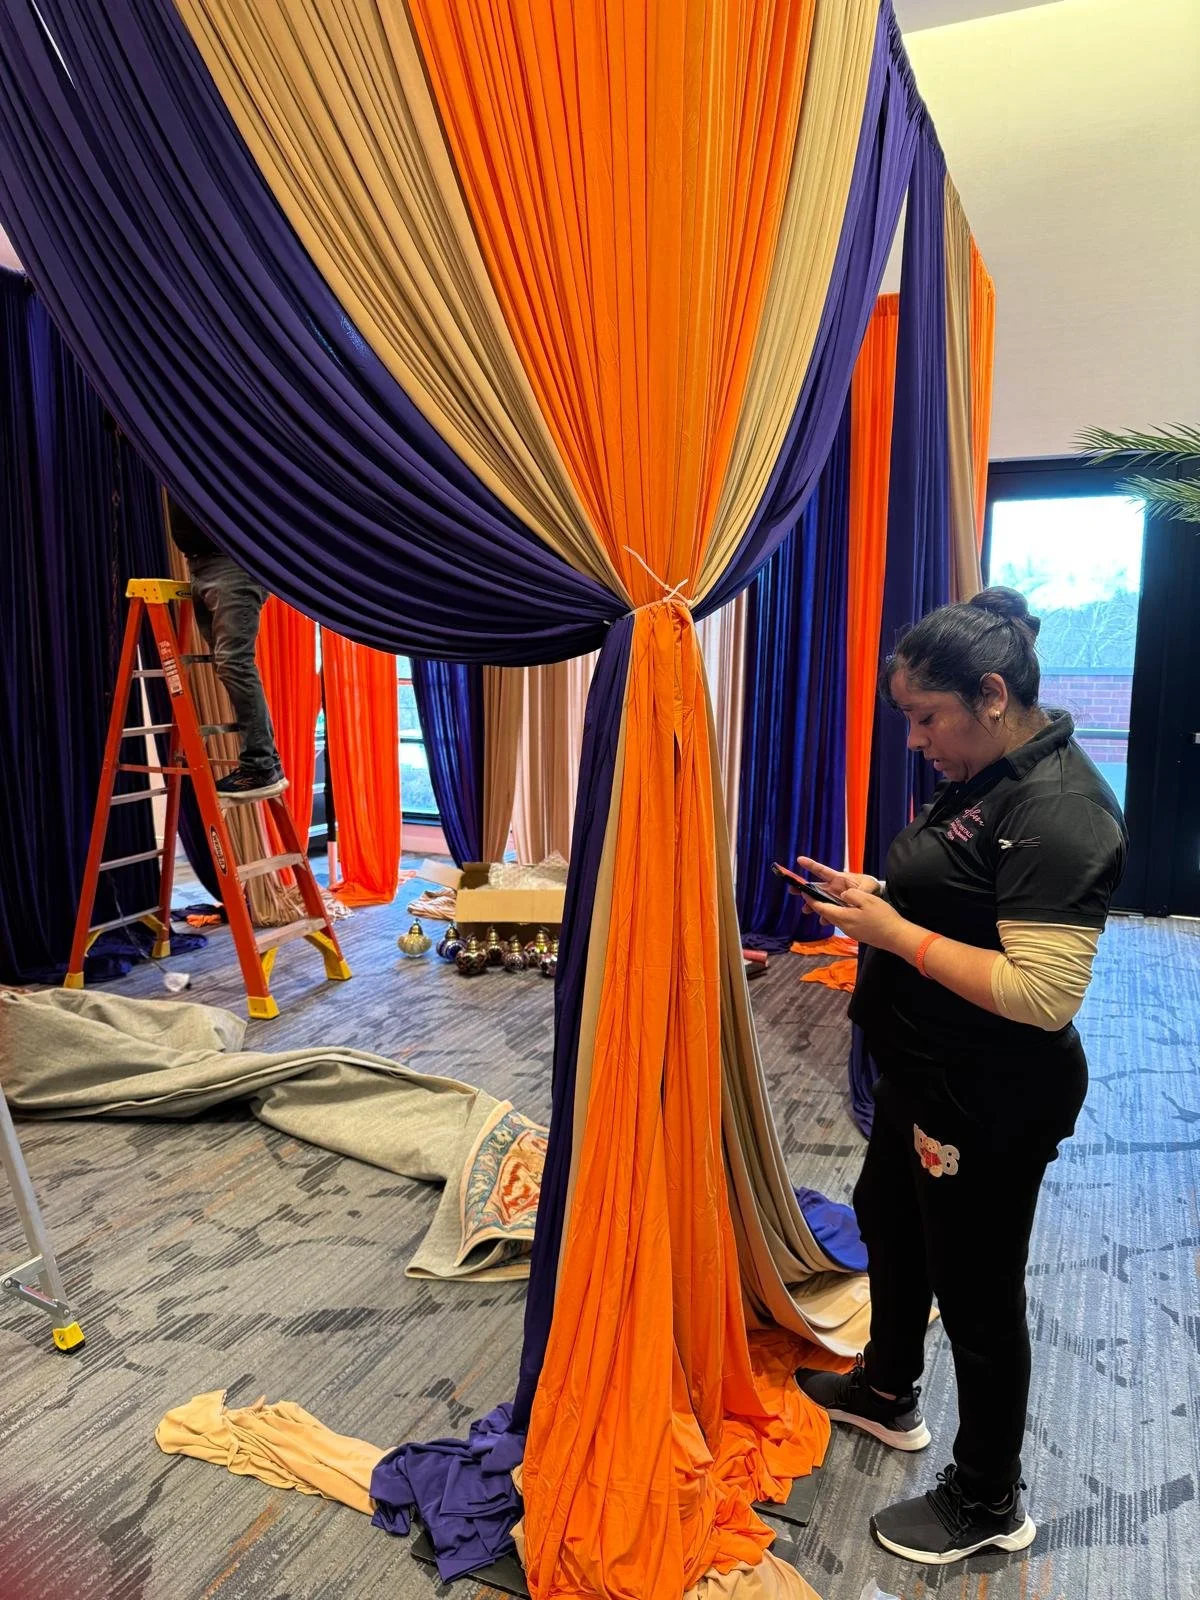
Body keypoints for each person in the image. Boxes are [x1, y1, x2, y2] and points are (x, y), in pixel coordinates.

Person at [795, 587, 1126, 1566]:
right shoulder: (989, 767)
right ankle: (887, 1390)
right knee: (889, 1221)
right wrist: (885, 894)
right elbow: (971, 895)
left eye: (923, 717)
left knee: (979, 1293)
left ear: (990, 694)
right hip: (925, 1069)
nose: (915, 739)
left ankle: (989, 1500)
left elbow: (1040, 994)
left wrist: (896, 932)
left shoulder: (1061, 810)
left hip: (992, 1095)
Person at [168, 497, 287, 801]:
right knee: (229, 665)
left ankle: (259, 767)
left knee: (235, 663)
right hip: (199, 564)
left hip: (232, 563)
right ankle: (266, 762)